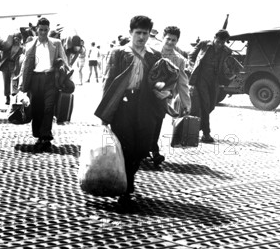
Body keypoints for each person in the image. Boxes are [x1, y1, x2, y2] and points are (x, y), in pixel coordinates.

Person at [94, 15, 164, 208]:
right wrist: (105, 114)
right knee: (126, 147)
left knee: (142, 148)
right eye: (138, 33)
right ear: (130, 33)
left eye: (145, 33)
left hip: (146, 106)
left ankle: (128, 181)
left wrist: (162, 87)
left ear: (150, 34)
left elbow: (160, 80)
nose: (141, 37)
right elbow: (108, 82)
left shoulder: (154, 55)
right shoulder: (118, 53)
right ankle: (126, 188)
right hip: (123, 105)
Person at [20, 17, 67, 152]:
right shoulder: (30, 45)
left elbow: (64, 61)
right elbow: (25, 66)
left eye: (46, 30)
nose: (43, 32)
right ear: (36, 29)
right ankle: (39, 135)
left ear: (48, 30)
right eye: (40, 30)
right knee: (36, 109)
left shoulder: (56, 43)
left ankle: (45, 136)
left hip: (51, 79)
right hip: (35, 80)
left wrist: (61, 68)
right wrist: (22, 85)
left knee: (49, 108)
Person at [149, 26, 192, 167]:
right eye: (168, 39)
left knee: (156, 123)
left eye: (174, 40)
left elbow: (183, 83)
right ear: (163, 37)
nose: (170, 43)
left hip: (164, 97)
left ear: (177, 41)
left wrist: (186, 104)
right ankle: (144, 149)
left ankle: (154, 151)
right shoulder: (151, 50)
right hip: (146, 93)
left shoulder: (179, 59)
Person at [188, 29, 232, 143]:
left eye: (222, 43)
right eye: (218, 42)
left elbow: (226, 65)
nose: (220, 45)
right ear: (214, 37)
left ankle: (197, 128)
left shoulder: (226, 51)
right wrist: (193, 68)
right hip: (201, 78)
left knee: (211, 105)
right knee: (205, 104)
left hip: (214, 81)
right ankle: (206, 133)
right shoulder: (204, 44)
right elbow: (191, 56)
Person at [0, 32, 24, 105]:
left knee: (15, 80)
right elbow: (1, 48)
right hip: (6, 65)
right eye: (15, 38)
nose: (16, 40)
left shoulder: (21, 48)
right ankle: (7, 97)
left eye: (18, 39)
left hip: (15, 65)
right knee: (6, 81)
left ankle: (15, 96)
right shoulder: (8, 47)